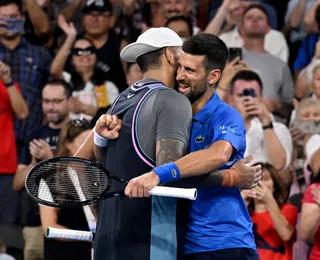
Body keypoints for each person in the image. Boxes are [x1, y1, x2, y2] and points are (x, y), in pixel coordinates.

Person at [92, 28, 261, 260]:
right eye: (180, 67)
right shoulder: (171, 112)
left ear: (213, 77)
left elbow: (219, 155)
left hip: (224, 242)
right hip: (184, 244)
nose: (180, 75)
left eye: (189, 70)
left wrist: (157, 175)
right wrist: (100, 136)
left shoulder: (225, 115)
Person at [13, 79, 72, 260]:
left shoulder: (79, 133)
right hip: (35, 223)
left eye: (56, 101)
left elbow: (83, 177)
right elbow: (16, 185)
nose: (50, 107)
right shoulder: (35, 135)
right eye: (46, 101)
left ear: (70, 101)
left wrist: (50, 159)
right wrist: (34, 164)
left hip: (71, 220)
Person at [40, 119, 93, 260]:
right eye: (83, 143)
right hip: (66, 254)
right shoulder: (50, 178)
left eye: (92, 142)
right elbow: (48, 227)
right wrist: (88, 237)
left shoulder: (100, 175)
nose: (90, 147)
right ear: (68, 144)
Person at [50, 14, 119, 120]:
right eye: (78, 52)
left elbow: (113, 117)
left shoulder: (107, 86)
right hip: (70, 134)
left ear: (96, 56)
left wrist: (83, 108)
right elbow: (54, 71)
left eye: (89, 50)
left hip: (98, 134)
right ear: (71, 59)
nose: (84, 55)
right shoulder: (67, 80)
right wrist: (70, 38)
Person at [0, 61, 28, 259]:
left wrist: (8, 81)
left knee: (9, 225)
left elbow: (23, 112)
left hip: (6, 167)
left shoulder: (6, 84)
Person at [241, 163, 298, 260]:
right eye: (255, 179)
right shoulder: (244, 213)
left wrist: (269, 200)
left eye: (265, 178)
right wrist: (239, 207)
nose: (260, 183)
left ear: (275, 186)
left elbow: (286, 234)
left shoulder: (288, 209)